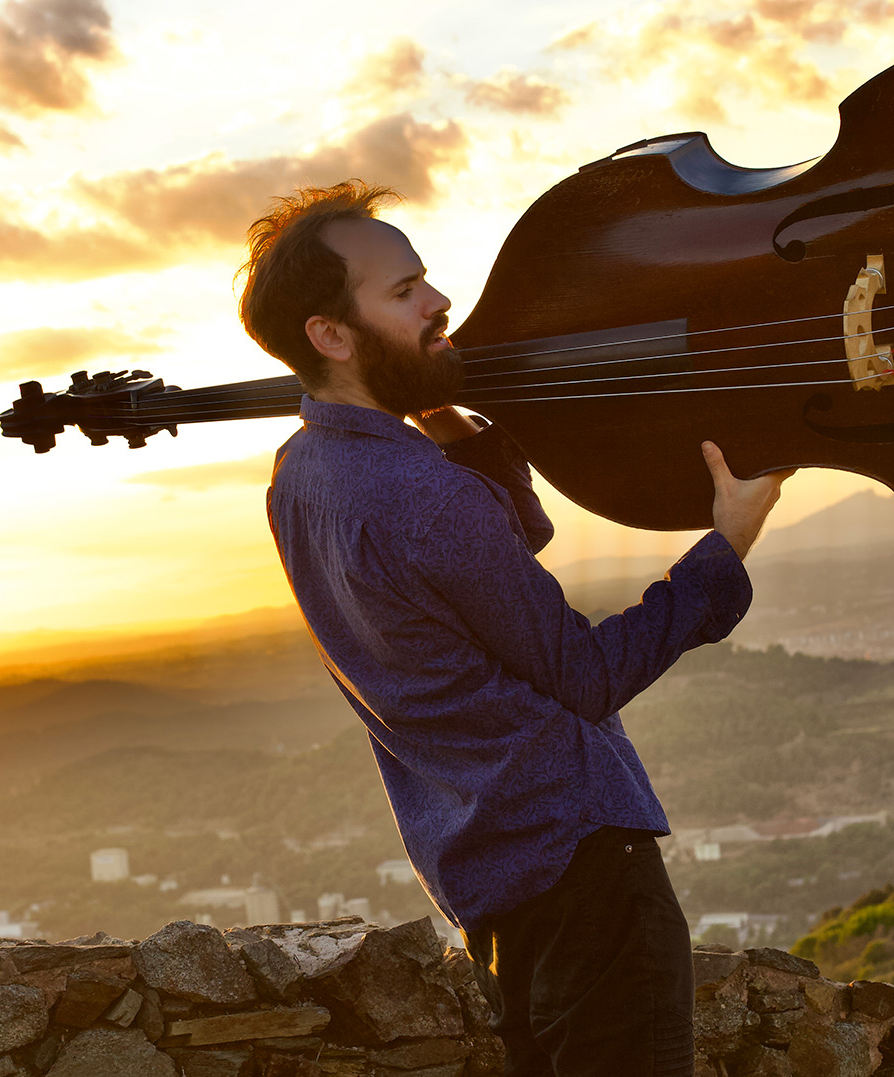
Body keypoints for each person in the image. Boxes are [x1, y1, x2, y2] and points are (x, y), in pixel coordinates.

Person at [238, 179, 789, 1077]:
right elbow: (585, 672)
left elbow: (490, 552)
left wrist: (445, 422)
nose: (440, 300)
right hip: (584, 872)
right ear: (331, 335)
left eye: (426, 278)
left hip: (489, 882)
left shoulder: (299, 476)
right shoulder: (425, 496)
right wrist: (725, 548)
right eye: (405, 291)